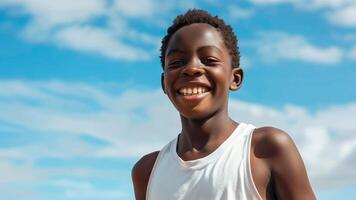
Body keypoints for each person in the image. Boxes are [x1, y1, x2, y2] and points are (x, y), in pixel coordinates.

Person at [131, 9, 316, 200]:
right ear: (164, 84)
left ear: (234, 78)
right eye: (177, 62)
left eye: (209, 60)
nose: (192, 68)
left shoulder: (264, 149)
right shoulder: (147, 171)